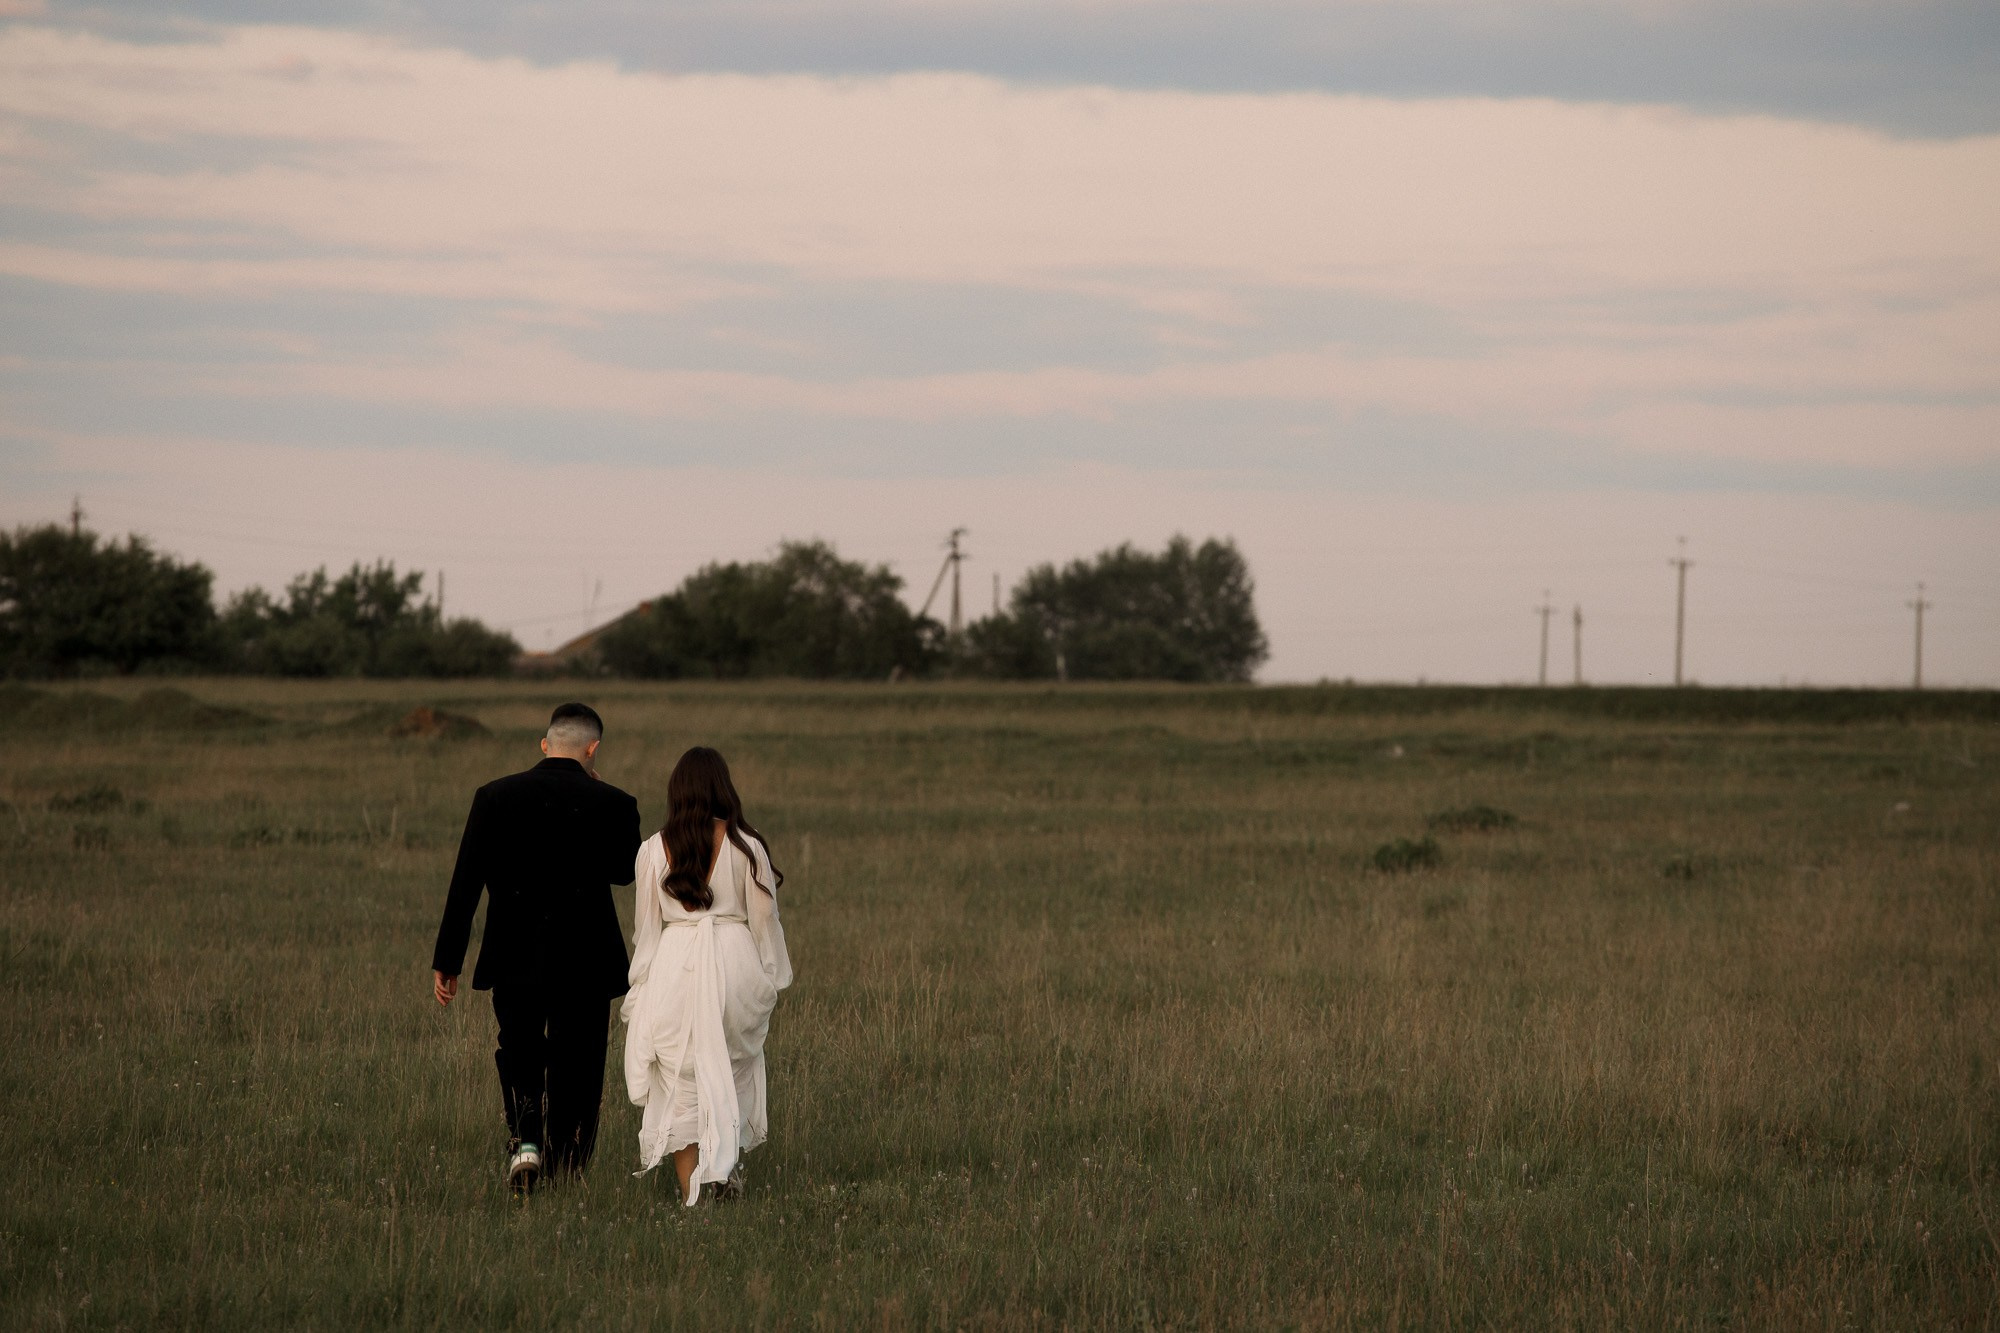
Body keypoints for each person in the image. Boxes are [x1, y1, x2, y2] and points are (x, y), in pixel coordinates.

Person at [431, 701, 641, 1195]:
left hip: (513, 953)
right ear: (593, 749)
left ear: (545, 745)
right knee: (581, 1058)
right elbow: (624, 872)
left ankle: (525, 1141)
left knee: (520, 1046)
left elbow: (465, 883)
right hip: (586, 961)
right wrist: (599, 798)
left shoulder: (494, 796)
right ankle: (568, 1163)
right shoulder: (615, 801)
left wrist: (448, 960)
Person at [622, 746, 793, 1204]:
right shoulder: (746, 845)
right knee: (731, 1069)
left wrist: (642, 986)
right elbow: (765, 923)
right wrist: (769, 978)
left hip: (676, 968)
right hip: (734, 967)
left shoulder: (653, 850)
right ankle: (720, 1177)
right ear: (723, 787)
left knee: (682, 1081)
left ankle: (692, 1192)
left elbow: (646, 930)